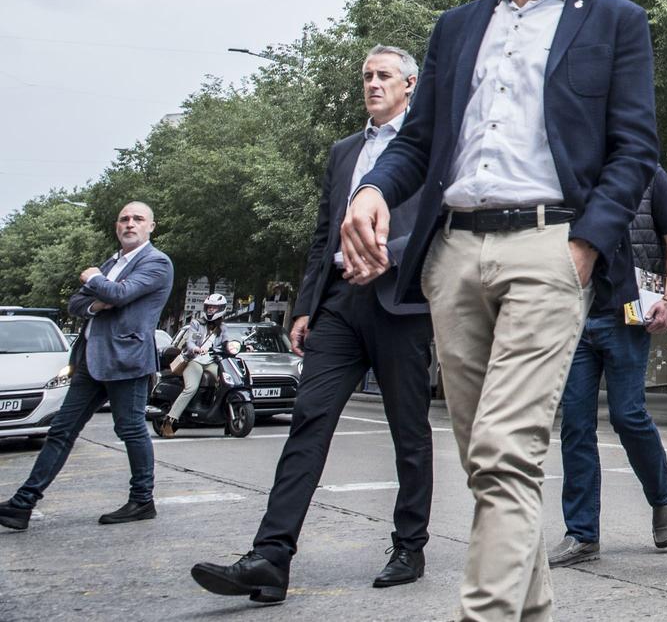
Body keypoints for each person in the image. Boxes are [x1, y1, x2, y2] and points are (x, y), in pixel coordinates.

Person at [339, 0, 658, 622]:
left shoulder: (616, 19)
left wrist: (583, 248)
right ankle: (535, 606)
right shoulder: (456, 27)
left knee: (507, 449)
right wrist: (374, 189)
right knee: (485, 462)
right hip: (454, 255)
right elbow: (418, 142)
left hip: (550, 248)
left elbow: (635, 148)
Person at [191, 46, 435, 604]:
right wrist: (305, 306)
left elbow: (438, 224)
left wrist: (390, 255)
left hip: (402, 304)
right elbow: (325, 232)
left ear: (410, 84)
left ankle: (409, 545)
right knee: (309, 420)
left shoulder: (428, 148)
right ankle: (271, 557)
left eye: (384, 76)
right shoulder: (344, 150)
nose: (373, 84)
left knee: (409, 431)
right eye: (367, 76)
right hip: (339, 307)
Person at [1, 202, 174, 531]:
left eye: (138, 219)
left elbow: (121, 294)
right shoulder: (113, 262)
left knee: (131, 429)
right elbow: (76, 303)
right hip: (90, 360)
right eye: (124, 219)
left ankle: (142, 500)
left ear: (151, 226)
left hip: (126, 360)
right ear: (116, 226)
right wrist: (98, 300)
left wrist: (96, 279)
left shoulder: (157, 262)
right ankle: (22, 504)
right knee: (61, 431)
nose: (130, 224)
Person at [550, 164, 667, 568]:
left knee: (628, 415)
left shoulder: (649, 175)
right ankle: (581, 533)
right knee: (575, 423)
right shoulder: (570, 177)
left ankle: (662, 496)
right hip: (577, 312)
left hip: (629, 312)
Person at [161, 291, 231, 435]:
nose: (211, 310)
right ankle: (169, 420)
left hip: (212, 361)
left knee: (226, 383)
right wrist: (195, 349)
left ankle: (223, 416)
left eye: (214, 308)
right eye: (209, 307)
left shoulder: (223, 328)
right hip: (195, 361)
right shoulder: (196, 323)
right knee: (191, 388)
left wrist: (241, 347)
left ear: (221, 309)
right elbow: (190, 342)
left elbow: (227, 344)